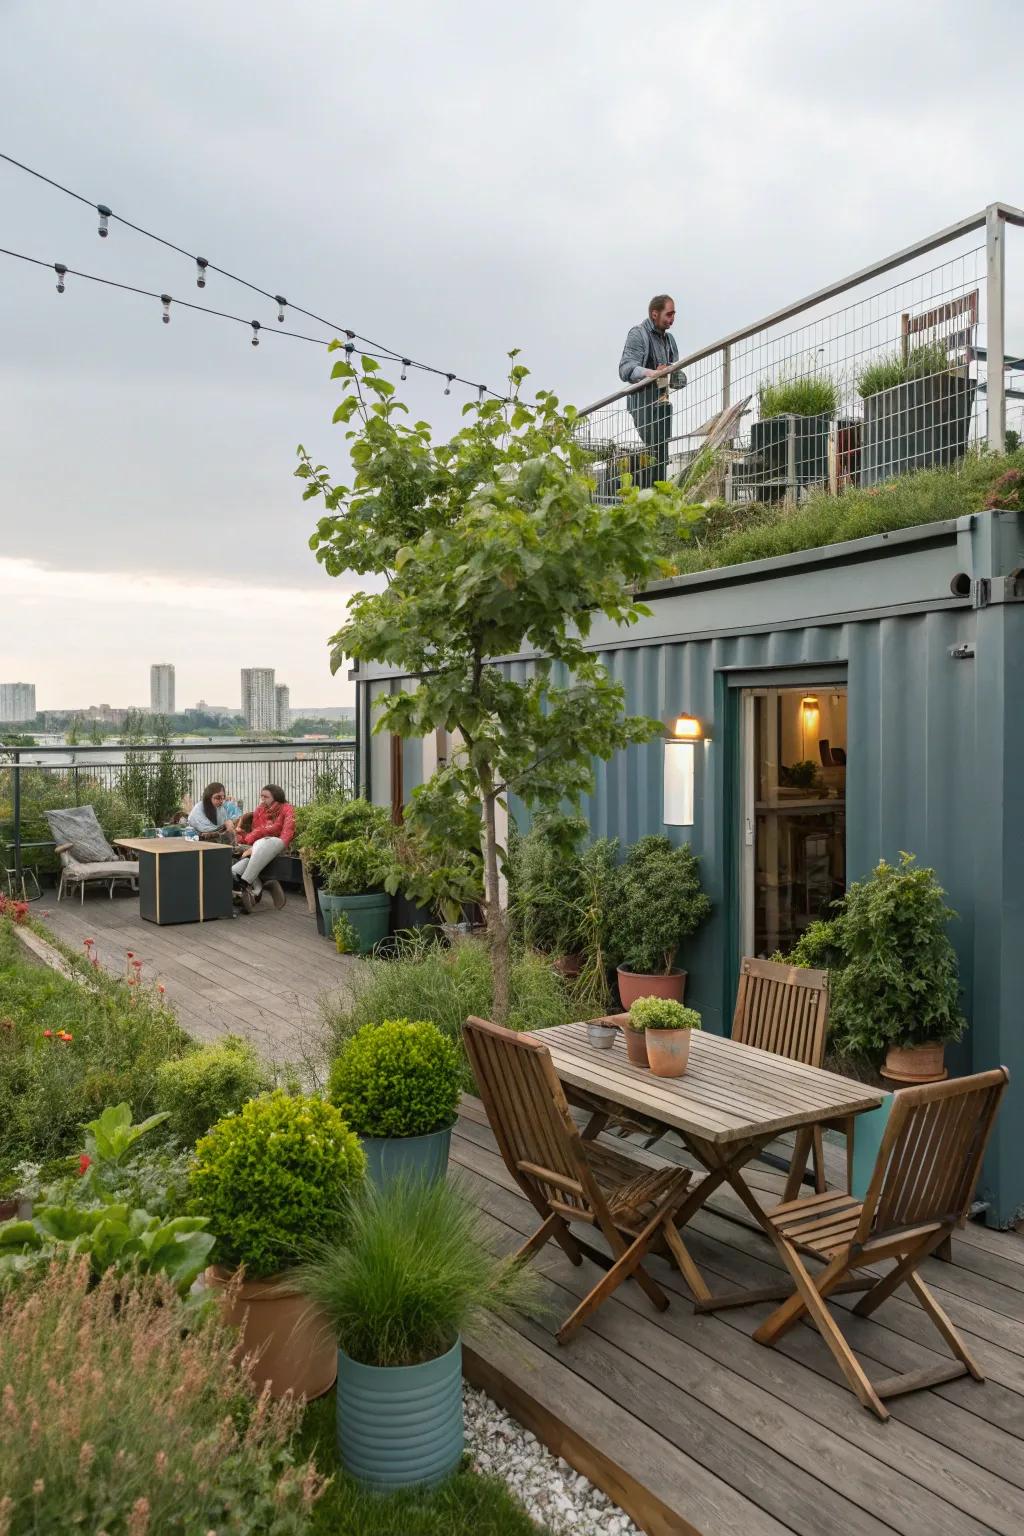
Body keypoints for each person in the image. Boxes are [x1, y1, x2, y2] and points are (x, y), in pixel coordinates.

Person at [618, 294, 686, 488]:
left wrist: (675, 375)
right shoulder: (638, 334)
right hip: (641, 403)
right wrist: (652, 373)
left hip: (662, 404)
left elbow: (677, 378)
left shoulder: (670, 340)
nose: (672, 319)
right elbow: (626, 369)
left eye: (674, 314)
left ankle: (656, 490)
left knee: (659, 453)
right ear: (654, 314)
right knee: (656, 453)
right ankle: (653, 490)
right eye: (668, 314)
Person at [232, 783, 294, 913]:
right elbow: (255, 832)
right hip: (259, 846)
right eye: (261, 796)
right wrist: (243, 835)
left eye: (266, 796)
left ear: (276, 796)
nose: (262, 799)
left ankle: (246, 884)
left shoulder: (287, 808)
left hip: (280, 843)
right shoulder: (260, 809)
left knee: (262, 843)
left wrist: (257, 837)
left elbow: (285, 832)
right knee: (232, 871)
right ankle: (255, 889)